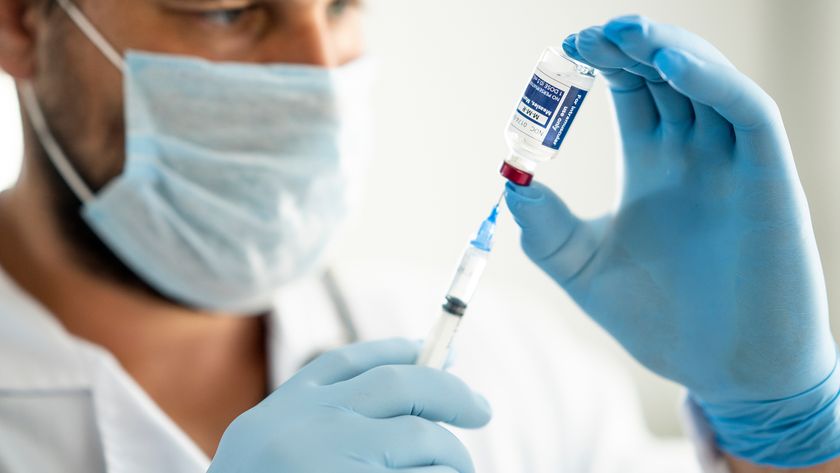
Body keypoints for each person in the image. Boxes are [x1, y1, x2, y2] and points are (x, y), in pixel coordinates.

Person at [0, 0, 836, 471]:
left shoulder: (522, 381)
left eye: (340, 5)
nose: (320, 76)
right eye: (225, 10)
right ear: (21, 24)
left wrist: (783, 440)